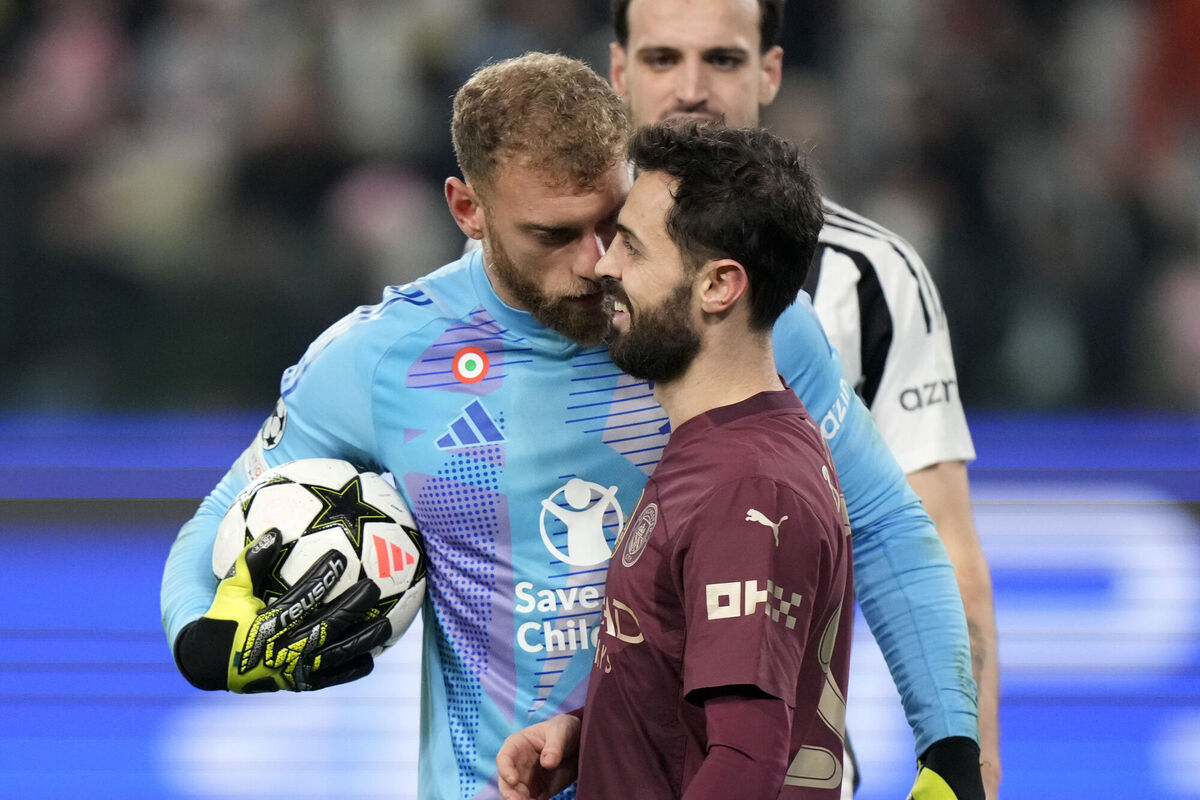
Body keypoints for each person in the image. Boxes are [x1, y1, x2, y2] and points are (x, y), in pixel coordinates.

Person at [162, 52, 979, 799]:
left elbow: (883, 525)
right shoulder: (379, 362)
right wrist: (203, 640)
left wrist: (950, 749)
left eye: (611, 222)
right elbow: (221, 520)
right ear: (467, 208)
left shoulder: (741, 326)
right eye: (552, 235)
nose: (595, 262)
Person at [496, 120, 983, 800]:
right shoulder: (738, 441)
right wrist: (600, 733)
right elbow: (711, 698)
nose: (602, 266)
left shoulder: (745, 488)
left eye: (631, 247)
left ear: (719, 286)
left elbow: (746, 765)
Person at [607, 1, 1001, 796]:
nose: (689, 89)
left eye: (720, 58)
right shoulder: (541, 263)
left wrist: (961, 761)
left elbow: (898, 528)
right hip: (578, 746)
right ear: (616, 70)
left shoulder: (826, 299)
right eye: (660, 60)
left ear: (770, 69)